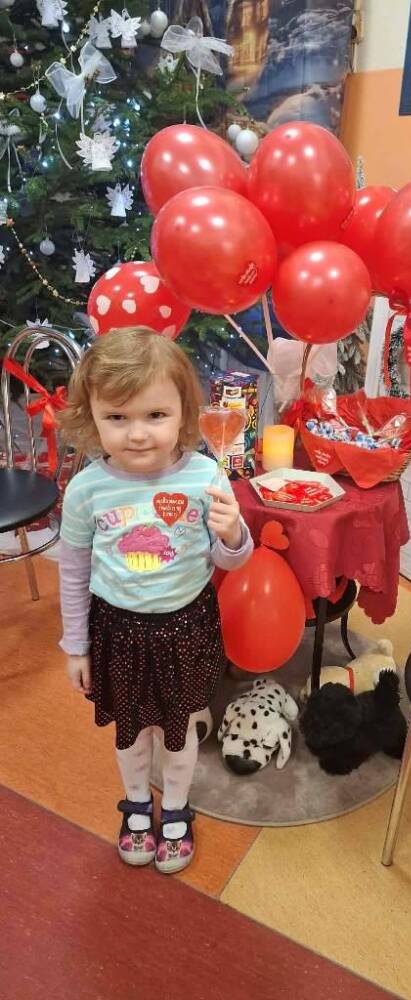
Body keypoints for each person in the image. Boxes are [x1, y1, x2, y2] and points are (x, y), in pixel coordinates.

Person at [57, 326, 253, 874]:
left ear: (184, 413)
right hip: (115, 630)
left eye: (156, 415)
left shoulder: (206, 477)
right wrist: (75, 646)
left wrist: (233, 533)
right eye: (117, 417)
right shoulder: (86, 490)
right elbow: (72, 573)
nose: (138, 434)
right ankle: (138, 806)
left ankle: (177, 809)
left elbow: (232, 561)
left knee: (179, 728)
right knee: (130, 730)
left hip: (186, 627)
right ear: (92, 417)